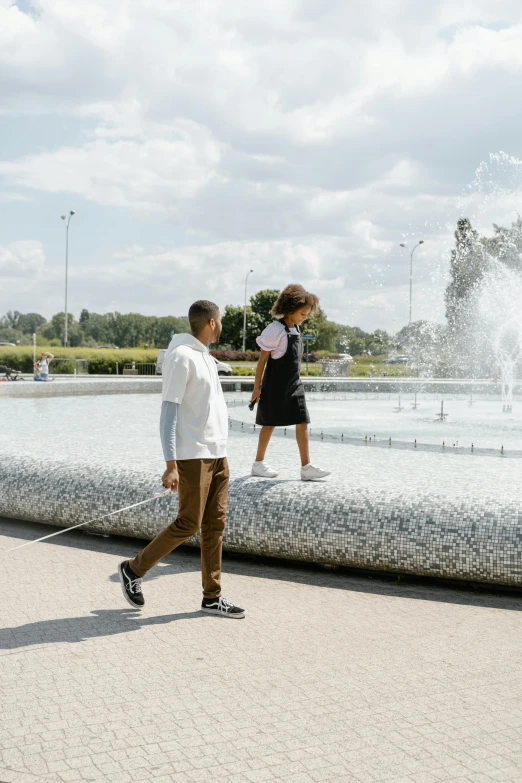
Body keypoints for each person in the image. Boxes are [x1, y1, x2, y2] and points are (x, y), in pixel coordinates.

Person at [118, 300, 245, 618]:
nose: (222, 325)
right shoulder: (181, 356)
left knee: (215, 525)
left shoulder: (206, 357)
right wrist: (170, 464)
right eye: (221, 321)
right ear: (212, 323)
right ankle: (134, 570)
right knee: (189, 523)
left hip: (218, 455)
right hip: (193, 456)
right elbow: (168, 413)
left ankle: (212, 597)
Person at [250, 284, 331, 481]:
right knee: (269, 423)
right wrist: (256, 388)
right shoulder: (275, 329)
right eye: (302, 313)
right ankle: (258, 464)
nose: (304, 317)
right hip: (274, 385)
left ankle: (306, 467)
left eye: (306, 314)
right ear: (290, 308)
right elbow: (262, 361)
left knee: (302, 420)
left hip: (294, 384)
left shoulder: (296, 329)